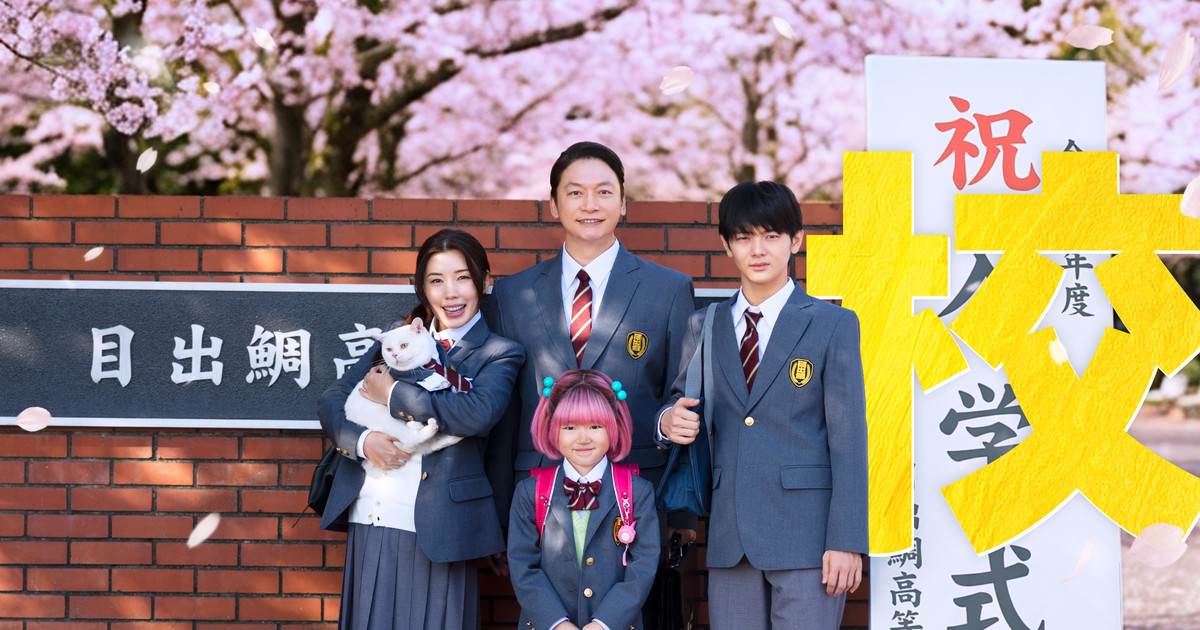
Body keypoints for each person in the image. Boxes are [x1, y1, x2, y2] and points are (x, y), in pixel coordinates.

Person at [488, 140, 695, 627]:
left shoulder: (668, 289)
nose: (590, 204)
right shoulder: (513, 293)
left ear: (623, 203)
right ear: (553, 203)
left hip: (634, 494)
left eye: (604, 191)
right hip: (540, 495)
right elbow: (506, 413)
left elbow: (682, 396)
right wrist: (497, 515)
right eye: (575, 192)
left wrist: (683, 515)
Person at [657, 181, 868, 629]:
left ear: (796, 240)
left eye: (771, 236)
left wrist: (847, 540)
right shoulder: (704, 324)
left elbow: (849, 440)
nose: (758, 250)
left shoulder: (832, 324)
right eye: (743, 237)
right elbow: (681, 402)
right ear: (726, 245)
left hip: (809, 538)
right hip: (730, 536)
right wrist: (666, 420)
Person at [317, 229, 525, 630]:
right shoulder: (396, 338)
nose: (451, 293)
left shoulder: (499, 353)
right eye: (436, 280)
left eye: (462, 277)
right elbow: (332, 399)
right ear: (422, 288)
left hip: (442, 525)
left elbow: (477, 414)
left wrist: (393, 394)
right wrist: (363, 442)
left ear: (484, 281)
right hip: (373, 511)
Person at [508, 369, 660, 630]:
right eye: (569, 427)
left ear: (614, 426)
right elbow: (523, 567)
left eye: (595, 426)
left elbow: (642, 567)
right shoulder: (530, 492)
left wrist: (604, 623)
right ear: (552, 429)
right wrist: (557, 623)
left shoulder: (637, 491)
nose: (583, 438)